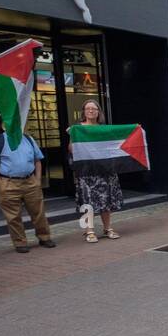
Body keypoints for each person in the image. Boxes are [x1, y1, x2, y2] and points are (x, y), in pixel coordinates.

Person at [0, 121, 55, 253]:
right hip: (8, 182)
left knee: (38, 212)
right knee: (13, 216)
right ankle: (20, 242)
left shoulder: (28, 139)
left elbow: (37, 160)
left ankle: (44, 237)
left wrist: (38, 180)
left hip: (30, 181)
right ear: (3, 126)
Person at [69, 99, 123, 242]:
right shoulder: (78, 128)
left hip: (104, 170)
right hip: (86, 171)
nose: (91, 111)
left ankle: (107, 228)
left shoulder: (104, 129)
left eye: (94, 108)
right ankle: (89, 230)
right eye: (88, 109)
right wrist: (74, 137)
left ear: (99, 112)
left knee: (105, 200)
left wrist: (134, 129)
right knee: (87, 201)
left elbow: (114, 145)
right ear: (84, 112)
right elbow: (71, 149)